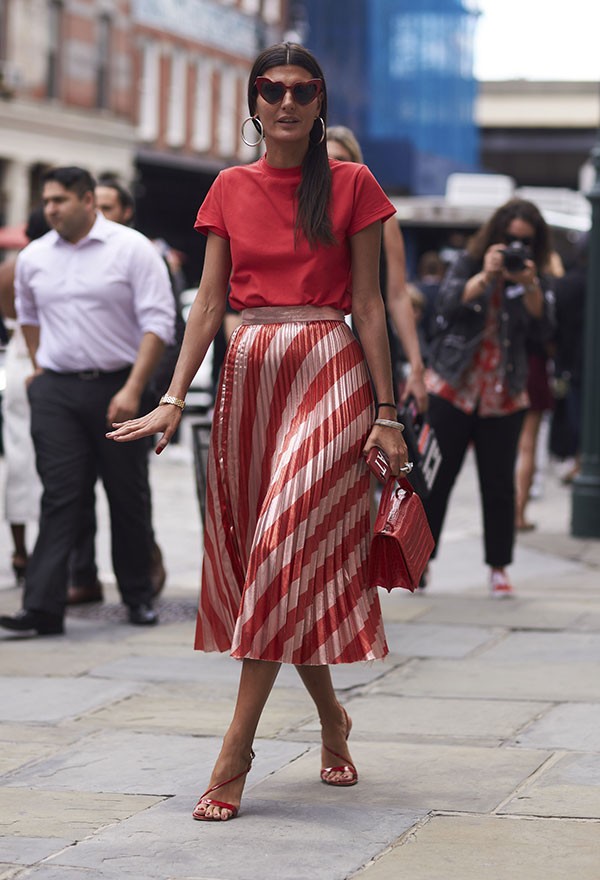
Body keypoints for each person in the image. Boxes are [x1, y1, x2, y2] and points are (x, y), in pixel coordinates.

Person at [106, 42, 408, 822]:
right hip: (251, 373)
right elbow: (206, 306)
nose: (286, 101)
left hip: (330, 366)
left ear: (319, 102)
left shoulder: (353, 184)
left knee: (280, 544)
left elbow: (370, 306)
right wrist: (174, 396)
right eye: (271, 89)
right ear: (253, 101)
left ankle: (235, 748)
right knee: (279, 562)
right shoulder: (229, 187)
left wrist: (387, 410)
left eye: (302, 89)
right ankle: (333, 720)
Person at [0, 166, 175, 636]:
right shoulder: (35, 257)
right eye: (47, 201)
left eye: (59, 200)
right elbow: (29, 316)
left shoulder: (131, 249)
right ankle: (42, 607)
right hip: (56, 388)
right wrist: (39, 370)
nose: (49, 209)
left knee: (126, 494)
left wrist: (134, 389)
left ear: (86, 201)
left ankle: (138, 595)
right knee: (60, 496)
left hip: (118, 385)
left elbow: (158, 321)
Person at [422, 198, 554, 597]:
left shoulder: (533, 275)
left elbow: (544, 327)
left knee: (498, 485)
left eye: (525, 242)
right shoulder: (468, 262)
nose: (516, 247)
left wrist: (528, 282)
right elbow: (444, 305)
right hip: (453, 388)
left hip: (504, 393)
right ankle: (420, 562)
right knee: (435, 481)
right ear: (495, 235)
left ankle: (499, 568)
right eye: (509, 239)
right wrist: (485, 275)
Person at [66, 177, 172, 605]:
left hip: (131, 387)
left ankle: (141, 576)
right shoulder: (77, 256)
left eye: (109, 207)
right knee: (73, 489)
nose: (101, 216)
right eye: (98, 207)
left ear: (126, 211)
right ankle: (82, 575)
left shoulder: (141, 254)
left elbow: (167, 330)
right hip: (79, 388)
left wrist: (151, 391)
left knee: (128, 491)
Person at [326, 125, 427, 412]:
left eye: (342, 160)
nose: (334, 167)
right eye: (327, 159)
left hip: (370, 341)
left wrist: (416, 368)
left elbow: (397, 294)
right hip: (320, 341)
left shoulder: (380, 215)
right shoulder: (302, 211)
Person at [0, 209, 47, 585]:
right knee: (60, 461)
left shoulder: (10, 269)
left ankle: (19, 551)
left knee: (18, 458)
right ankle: (52, 549)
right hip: (49, 359)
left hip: (17, 359)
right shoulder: (50, 263)